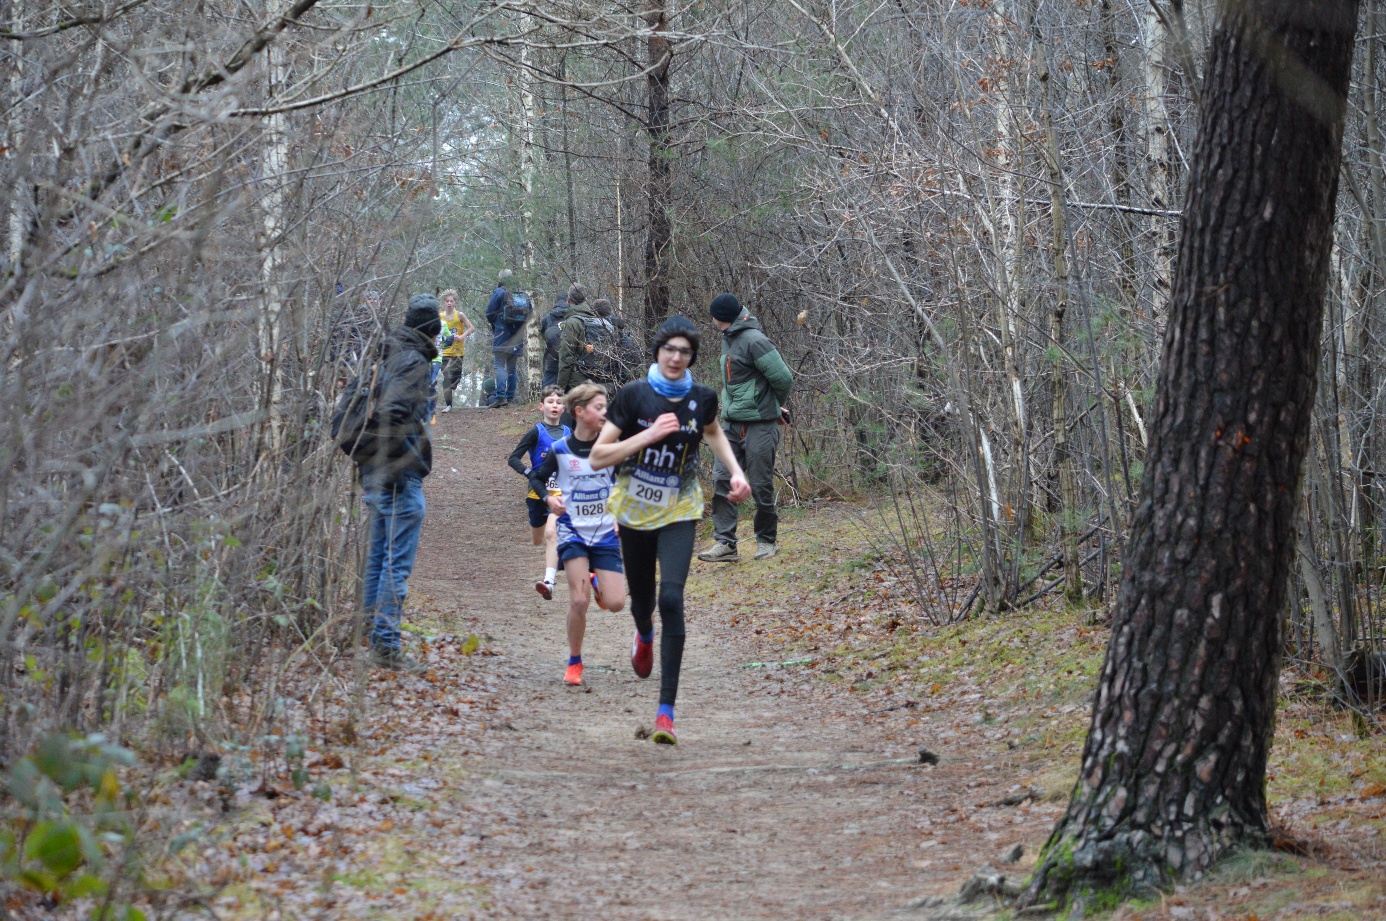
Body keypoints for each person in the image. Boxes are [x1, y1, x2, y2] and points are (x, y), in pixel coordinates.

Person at [591, 316, 751, 744]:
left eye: (684, 352)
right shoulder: (633, 396)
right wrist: (645, 438)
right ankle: (643, 633)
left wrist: (735, 472)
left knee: (672, 598)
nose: (676, 358)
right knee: (642, 602)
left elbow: (714, 432)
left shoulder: (702, 398)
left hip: (680, 508)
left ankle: (666, 713)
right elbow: (598, 457)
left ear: (692, 358)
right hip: (634, 511)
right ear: (658, 353)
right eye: (670, 350)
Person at [357, 293, 440, 672]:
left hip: (374, 470)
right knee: (395, 563)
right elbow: (391, 414)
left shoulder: (387, 352)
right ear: (432, 331)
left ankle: (369, 633)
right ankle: (386, 645)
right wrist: (401, 464)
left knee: (377, 555)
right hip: (395, 476)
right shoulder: (412, 361)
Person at [527, 383, 627, 687]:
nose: (605, 413)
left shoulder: (611, 447)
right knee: (578, 601)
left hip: (605, 532)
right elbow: (536, 476)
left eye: (606, 406)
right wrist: (548, 499)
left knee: (617, 603)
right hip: (573, 532)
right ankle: (574, 661)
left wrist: (621, 513)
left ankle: (598, 583)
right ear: (580, 412)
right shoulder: (561, 449)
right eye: (599, 407)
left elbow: (626, 481)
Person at [698, 293, 794, 563]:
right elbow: (736, 383)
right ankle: (725, 544)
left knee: (761, 485)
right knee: (721, 480)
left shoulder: (755, 340)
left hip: (760, 426)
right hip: (731, 423)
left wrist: (773, 407)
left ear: (719, 318)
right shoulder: (728, 338)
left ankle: (766, 540)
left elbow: (783, 379)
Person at [508, 386, 571, 600]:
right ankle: (556, 552)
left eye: (558, 402)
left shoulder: (570, 433)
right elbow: (513, 457)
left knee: (552, 534)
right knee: (538, 539)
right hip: (537, 494)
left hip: (562, 495)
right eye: (550, 402)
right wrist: (529, 474)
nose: (555, 405)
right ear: (541, 406)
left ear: (564, 407)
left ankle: (549, 582)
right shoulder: (536, 431)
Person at [485, 270, 529, 406]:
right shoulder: (522, 294)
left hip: (502, 332)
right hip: (517, 334)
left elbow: (489, 312)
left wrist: (496, 323)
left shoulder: (499, 292)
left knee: (499, 365)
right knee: (512, 368)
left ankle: (501, 397)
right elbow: (529, 313)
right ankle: (510, 398)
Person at [438, 289, 475, 413]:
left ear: (455, 303)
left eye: (451, 301)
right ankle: (449, 405)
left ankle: (451, 387)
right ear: (444, 303)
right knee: (446, 377)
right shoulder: (440, 316)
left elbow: (471, 328)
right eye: (447, 301)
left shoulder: (460, 315)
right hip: (445, 352)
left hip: (458, 352)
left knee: (457, 377)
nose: (449, 303)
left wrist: (462, 336)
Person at [556, 283, 597, 391]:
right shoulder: (597, 320)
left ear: (568, 301)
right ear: (586, 300)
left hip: (577, 381)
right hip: (598, 377)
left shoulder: (572, 323)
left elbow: (566, 357)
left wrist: (560, 388)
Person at [540, 294, 569, 388]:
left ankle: (547, 400)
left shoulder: (547, 318)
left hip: (552, 357)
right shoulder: (574, 316)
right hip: (570, 357)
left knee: (548, 389)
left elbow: (544, 335)